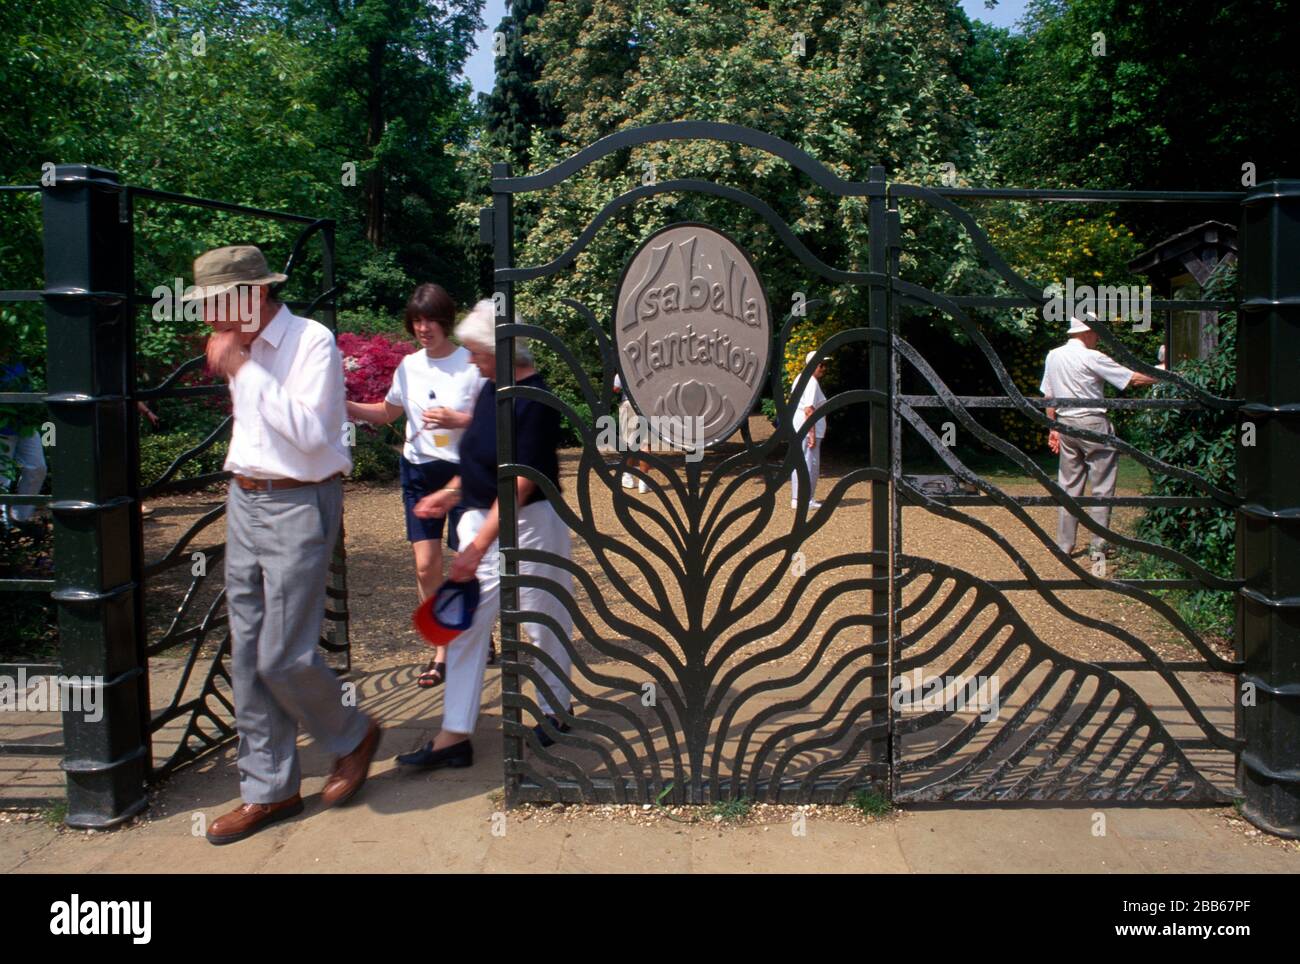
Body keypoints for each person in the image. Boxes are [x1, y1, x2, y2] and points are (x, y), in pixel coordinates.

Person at [190, 245, 380, 845]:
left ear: (254, 295)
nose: (207, 319)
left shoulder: (311, 343)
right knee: (246, 654)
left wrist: (243, 369)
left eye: (216, 303)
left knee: (283, 654)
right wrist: (240, 362)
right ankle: (269, 793)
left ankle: (351, 734)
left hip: (301, 500)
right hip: (245, 499)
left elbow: (306, 434)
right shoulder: (239, 343)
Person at [396, 299, 576, 770]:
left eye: (478, 352)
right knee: (464, 626)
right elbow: (481, 459)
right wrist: (452, 494)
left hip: (527, 527)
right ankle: (454, 735)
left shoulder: (532, 399)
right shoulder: (491, 388)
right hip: (484, 522)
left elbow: (520, 480)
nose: (471, 361)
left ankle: (555, 710)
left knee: (542, 622)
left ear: (504, 351)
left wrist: (475, 548)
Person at [346, 283, 485, 688]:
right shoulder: (408, 366)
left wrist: (457, 420)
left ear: (446, 320)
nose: (424, 328)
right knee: (427, 565)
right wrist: (343, 403)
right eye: (417, 320)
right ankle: (441, 647)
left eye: (431, 320)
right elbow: (388, 413)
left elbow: (495, 422)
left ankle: (478, 635)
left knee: (466, 562)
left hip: (463, 473)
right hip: (419, 470)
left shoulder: (471, 363)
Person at [1040, 312, 1157, 559]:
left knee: (1069, 486)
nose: (1098, 339)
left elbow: (1048, 395)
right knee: (1102, 487)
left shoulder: (1053, 355)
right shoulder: (1092, 356)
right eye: (1097, 333)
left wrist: (1053, 428)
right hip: (1093, 423)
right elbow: (1132, 379)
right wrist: (1166, 372)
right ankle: (1098, 547)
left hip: (1065, 423)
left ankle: (1064, 545)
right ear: (1088, 332)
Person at [0, 356, 47, 530]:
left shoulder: (16, 360)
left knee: (37, 467)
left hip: (25, 422)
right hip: (3, 425)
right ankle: (4, 525)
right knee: (2, 476)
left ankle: (20, 518)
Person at [790, 350, 827, 508]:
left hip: (799, 427)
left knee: (801, 461)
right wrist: (811, 433)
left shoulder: (800, 378)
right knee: (809, 463)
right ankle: (804, 499)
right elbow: (809, 409)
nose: (824, 368)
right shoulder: (811, 382)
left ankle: (798, 498)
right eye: (821, 365)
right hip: (806, 429)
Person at [613, 373, 649, 493]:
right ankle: (643, 482)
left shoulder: (622, 370)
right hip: (645, 405)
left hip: (628, 404)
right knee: (645, 444)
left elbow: (615, 388)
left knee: (628, 443)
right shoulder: (647, 368)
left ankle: (628, 477)